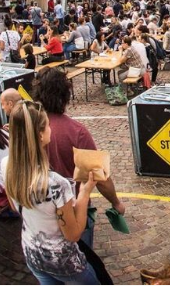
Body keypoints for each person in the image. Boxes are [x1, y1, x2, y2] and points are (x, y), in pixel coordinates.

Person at [4, 99, 102, 284]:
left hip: (32, 252)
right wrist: (84, 192)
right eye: (48, 125)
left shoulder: (7, 166)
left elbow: (14, 206)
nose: (51, 128)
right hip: (64, 262)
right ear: (40, 135)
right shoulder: (56, 184)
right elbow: (73, 234)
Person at [33, 67, 127, 247]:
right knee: (82, 255)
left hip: (39, 208)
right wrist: (116, 202)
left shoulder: (28, 127)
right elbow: (99, 176)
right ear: (65, 94)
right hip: (74, 209)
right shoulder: (76, 132)